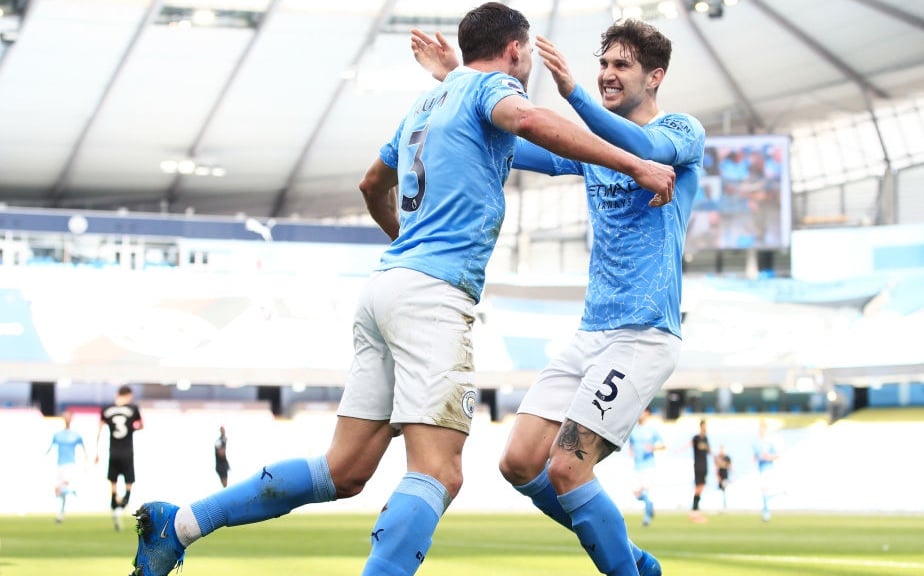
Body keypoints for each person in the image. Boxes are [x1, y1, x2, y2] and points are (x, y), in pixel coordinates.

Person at [128, 4, 674, 576]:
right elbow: (534, 123)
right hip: (432, 296)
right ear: (515, 51)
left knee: (344, 469)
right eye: (530, 54)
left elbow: (371, 184)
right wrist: (636, 167)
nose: (532, 65)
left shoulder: (429, 105)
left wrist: (406, 238)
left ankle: (180, 524)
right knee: (438, 472)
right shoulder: (492, 88)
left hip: (387, 285)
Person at [412, 16, 703, 576]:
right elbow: (512, 140)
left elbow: (642, 146)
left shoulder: (682, 132)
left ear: (656, 76)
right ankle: (633, 560)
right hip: (592, 332)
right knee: (519, 462)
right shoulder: (593, 147)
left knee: (569, 469)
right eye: (604, 65)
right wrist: (457, 82)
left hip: (643, 334)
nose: (607, 75)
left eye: (622, 66)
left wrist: (570, 93)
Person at [97, 384, 143, 532]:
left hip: (113, 451)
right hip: (127, 451)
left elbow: (99, 429)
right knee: (129, 480)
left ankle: (114, 503)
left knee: (113, 480)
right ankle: (124, 503)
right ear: (128, 395)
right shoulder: (133, 409)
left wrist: (96, 451)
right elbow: (141, 425)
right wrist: (132, 429)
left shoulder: (106, 409)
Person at [627, 406, 664, 527]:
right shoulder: (633, 430)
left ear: (647, 414)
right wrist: (631, 450)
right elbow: (630, 444)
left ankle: (647, 518)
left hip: (649, 466)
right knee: (636, 493)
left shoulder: (652, 430)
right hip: (637, 466)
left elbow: (663, 445)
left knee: (647, 491)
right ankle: (650, 505)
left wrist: (653, 448)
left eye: (643, 412)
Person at [47, 410, 87, 523]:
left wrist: (86, 463)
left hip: (70, 464)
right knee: (58, 492)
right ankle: (61, 514)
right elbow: (49, 448)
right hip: (60, 464)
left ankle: (71, 491)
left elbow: (84, 449)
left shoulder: (75, 435)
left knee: (61, 488)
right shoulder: (58, 435)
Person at [754, 419, 781, 522]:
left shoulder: (769, 443)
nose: (760, 431)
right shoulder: (756, 443)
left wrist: (768, 457)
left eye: (762, 429)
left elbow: (776, 456)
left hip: (768, 469)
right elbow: (756, 456)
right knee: (764, 491)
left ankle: (766, 513)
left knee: (765, 490)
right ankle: (766, 512)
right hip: (761, 469)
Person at [690, 419, 711, 523]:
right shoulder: (696, 438)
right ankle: (694, 511)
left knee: (701, 487)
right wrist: (678, 450)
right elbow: (689, 445)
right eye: (704, 426)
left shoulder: (706, 439)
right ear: (701, 426)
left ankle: (696, 511)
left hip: (704, 465)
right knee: (698, 488)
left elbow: (709, 451)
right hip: (698, 465)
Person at [714, 443, 732, 509]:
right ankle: (722, 506)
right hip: (720, 477)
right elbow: (716, 468)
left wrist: (733, 475)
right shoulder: (718, 457)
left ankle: (725, 505)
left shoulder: (727, 458)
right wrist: (718, 477)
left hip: (726, 476)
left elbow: (730, 467)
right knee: (721, 491)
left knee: (725, 490)